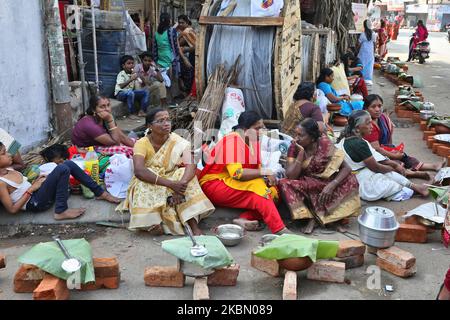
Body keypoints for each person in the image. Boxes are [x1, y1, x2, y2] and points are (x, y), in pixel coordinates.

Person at [116, 108, 215, 235]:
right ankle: (153, 223)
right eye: (161, 121)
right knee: (143, 182)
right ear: (150, 126)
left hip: (172, 179)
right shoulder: (142, 143)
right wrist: (171, 184)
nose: (166, 123)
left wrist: (181, 185)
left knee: (184, 173)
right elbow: (139, 171)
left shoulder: (177, 140)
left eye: (168, 119)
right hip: (152, 179)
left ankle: (193, 225)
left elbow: (191, 164)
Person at [199, 111, 290, 235]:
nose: (261, 131)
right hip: (215, 184)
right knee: (260, 189)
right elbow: (237, 173)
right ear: (245, 129)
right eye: (257, 128)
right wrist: (265, 172)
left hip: (234, 182)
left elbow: (256, 168)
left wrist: (267, 178)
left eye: (262, 128)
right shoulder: (232, 140)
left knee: (273, 191)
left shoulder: (254, 141)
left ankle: (243, 219)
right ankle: (279, 229)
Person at [279, 118, 361, 234]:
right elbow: (291, 176)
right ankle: (313, 218)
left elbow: (346, 168)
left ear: (312, 138)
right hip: (307, 185)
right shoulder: (294, 147)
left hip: (326, 182)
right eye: (295, 134)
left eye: (300, 135)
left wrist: (332, 185)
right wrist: (301, 154)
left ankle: (328, 219)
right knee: (283, 183)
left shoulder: (325, 144)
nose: (296, 138)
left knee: (351, 179)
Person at [0, 142, 120, 220]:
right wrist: (32, 188)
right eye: (3, 153)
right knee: (62, 168)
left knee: (67, 163)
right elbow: (12, 209)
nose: (9, 154)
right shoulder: (1, 182)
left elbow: (20, 170)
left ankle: (100, 193)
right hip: (35, 202)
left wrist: (38, 181)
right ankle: (60, 211)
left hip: (37, 192)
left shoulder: (8, 169)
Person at [336, 110, 429, 201]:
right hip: (361, 181)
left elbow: (378, 158)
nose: (371, 126)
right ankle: (412, 190)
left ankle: (416, 187)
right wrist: (393, 168)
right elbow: (376, 167)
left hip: (360, 175)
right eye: (368, 123)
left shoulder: (349, 139)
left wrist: (394, 165)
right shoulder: (359, 143)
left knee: (389, 170)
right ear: (357, 128)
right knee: (389, 178)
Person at [363, 94, 444, 179]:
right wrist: (394, 156)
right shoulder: (368, 125)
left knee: (404, 156)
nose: (377, 109)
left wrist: (393, 150)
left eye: (379, 106)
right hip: (374, 155)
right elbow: (376, 149)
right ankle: (411, 173)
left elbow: (389, 139)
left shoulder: (383, 118)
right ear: (366, 109)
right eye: (373, 107)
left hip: (385, 149)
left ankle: (433, 166)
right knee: (395, 163)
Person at [152, 13, 180, 88]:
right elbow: (176, 46)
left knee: (163, 80)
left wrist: (155, 60)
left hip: (160, 59)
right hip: (170, 58)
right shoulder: (171, 31)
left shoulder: (156, 33)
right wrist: (177, 58)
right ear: (169, 20)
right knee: (171, 79)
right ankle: (171, 96)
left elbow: (154, 48)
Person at [176, 14, 196, 98]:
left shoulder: (187, 31)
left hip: (192, 55)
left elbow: (195, 46)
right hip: (189, 55)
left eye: (182, 22)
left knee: (189, 74)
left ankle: (188, 93)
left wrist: (185, 49)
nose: (180, 24)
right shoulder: (186, 31)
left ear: (187, 23)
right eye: (179, 22)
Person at [357, 20, 377, 85]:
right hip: (370, 50)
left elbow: (359, 44)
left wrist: (357, 49)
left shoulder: (363, 34)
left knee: (362, 63)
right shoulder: (373, 34)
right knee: (369, 64)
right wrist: (374, 51)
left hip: (363, 50)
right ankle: (368, 79)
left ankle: (361, 78)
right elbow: (375, 44)